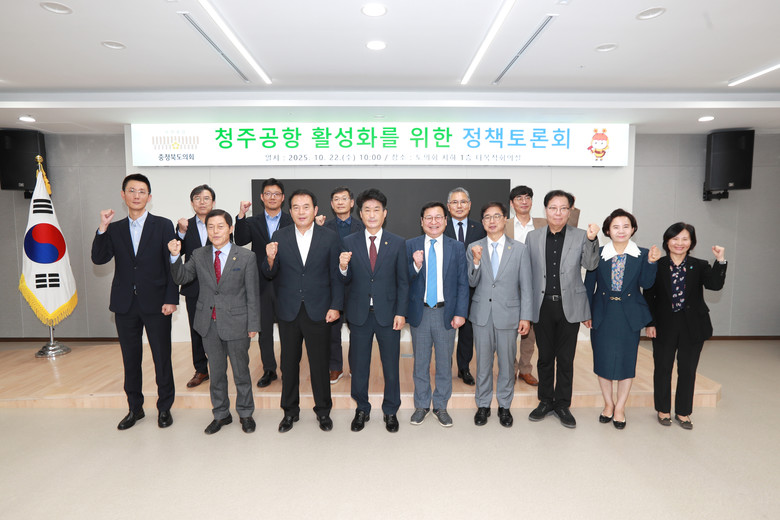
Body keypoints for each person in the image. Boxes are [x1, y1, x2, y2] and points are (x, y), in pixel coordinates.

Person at [91, 173, 177, 430]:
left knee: (162, 357)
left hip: (157, 303)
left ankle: (164, 408)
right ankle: (134, 409)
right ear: (123, 195)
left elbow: (171, 263)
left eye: (142, 192)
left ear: (149, 197)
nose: (136, 195)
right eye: (132, 191)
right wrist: (102, 227)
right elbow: (99, 258)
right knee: (130, 359)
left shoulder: (163, 225)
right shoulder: (114, 228)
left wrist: (171, 298)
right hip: (125, 303)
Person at [169, 210, 260, 434]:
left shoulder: (246, 256)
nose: (215, 231)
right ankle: (221, 414)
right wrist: (174, 257)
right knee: (216, 374)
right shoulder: (199, 254)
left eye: (220, 226)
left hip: (237, 323)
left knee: (241, 372)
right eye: (211, 227)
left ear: (230, 229)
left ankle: (245, 413)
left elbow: (252, 294)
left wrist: (253, 325)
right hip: (208, 324)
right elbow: (182, 277)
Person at [263, 189, 344, 433]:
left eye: (306, 207)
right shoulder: (279, 235)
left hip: (319, 309)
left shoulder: (330, 237)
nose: (301, 211)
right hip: (288, 310)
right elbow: (270, 273)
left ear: (315, 210)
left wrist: (336, 306)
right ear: (290, 211)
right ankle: (290, 412)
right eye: (296, 207)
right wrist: (269, 259)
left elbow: (336, 275)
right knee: (288, 364)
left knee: (320, 364)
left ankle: (323, 411)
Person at [526, 189, 599, 428]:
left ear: (570, 211)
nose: (558, 213)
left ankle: (563, 404)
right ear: (545, 210)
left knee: (566, 359)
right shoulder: (533, 237)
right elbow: (527, 274)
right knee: (545, 357)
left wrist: (592, 240)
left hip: (570, 306)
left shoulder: (582, 236)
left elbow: (591, 264)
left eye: (563, 208)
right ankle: (545, 401)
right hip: (542, 305)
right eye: (553, 208)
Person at [644, 222, 727, 430]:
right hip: (664, 324)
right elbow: (649, 296)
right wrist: (650, 323)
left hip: (693, 325)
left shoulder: (699, 265)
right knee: (663, 368)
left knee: (688, 370)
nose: (679, 243)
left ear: (691, 242)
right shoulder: (658, 264)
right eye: (675, 239)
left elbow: (715, 285)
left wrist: (720, 261)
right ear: (667, 241)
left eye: (685, 239)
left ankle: (683, 411)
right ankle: (663, 410)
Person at [584, 209, 660, 429]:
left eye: (626, 226)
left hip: (629, 316)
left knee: (627, 363)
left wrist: (652, 263)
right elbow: (589, 285)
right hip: (602, 313)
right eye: (615, 227)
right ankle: (608, 404)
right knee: (603, 361)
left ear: (633, 229)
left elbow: (646, 284)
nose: (621, 231)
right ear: (608, 230)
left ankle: (620, 407)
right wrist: (586, 313)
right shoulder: (598, 253)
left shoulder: (643, 254)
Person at [340, 189, 408, 433]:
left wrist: (401, 312)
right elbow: (344, 281)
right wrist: (343, 268)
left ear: (384, 213)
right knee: (359, 367)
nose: (371, 214)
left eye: (376, 210)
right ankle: (362, 409)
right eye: (367, 210)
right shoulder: (349, 242)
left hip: (388, 315)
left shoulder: (398, 242)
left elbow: (403, 282)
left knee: (391, 367)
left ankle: (391, 410)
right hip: (359, 315)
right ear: (360, 214)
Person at [467, 202, 532, 427]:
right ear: (482, 222)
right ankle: (483, 405)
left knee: (506, 364)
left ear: (505, 219)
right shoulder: (474, 247)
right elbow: (471, 282)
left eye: (497, 216)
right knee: (483, 364)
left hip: (509, 315)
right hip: (482, 315)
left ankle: (505, 406)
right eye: (487, 217)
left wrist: (525, 316)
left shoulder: (520, 249)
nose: (492, 221)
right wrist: (476, 262)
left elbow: (526, 286)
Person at [407, 202, 469, 427]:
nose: (433, 222)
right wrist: (415, 266)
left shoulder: (457, 247)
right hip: (421, 313)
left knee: (444, 362)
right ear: (421, 221)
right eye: (429, 218)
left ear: (445, 221)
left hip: (446, 313)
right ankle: (422, 405)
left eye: (438, 217)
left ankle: (441, 405)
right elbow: (403, 279)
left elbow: (462, 283)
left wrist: (460, 313)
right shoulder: (410, 245)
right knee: (420, 363)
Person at [234, 178, 293, 388]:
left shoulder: (292, 220)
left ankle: (288, 369)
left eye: (276, 194)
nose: (272, 197)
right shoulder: (252, 222)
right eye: (268, 193)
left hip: (287, 282)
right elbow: (240, 240)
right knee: (264, 329)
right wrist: (241, 215)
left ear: (283, 198)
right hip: (261, 282)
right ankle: (269, 370)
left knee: (288, 330)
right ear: (261, 197)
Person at [316, 186, 365, 384]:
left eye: (344, 198)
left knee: (357, 329)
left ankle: (355, 366)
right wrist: (316, 229)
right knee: (332, 330)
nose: (340, 202)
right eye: (336, 199)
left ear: (352, 203)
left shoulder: (363, 226)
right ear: (331, 204)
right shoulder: (323, 227)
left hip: (356, 285)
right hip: (331, 285)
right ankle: (335, 367)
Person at [443, 187, 486, 386]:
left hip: (472, 288)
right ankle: (445, 367)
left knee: (467, 332)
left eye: (463, 202)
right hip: (446, 289)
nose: (459, 206)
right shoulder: (440, 226)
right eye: (454, 202)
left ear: (469, 205)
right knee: (445, 331)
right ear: (448, 206)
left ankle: (464, 368)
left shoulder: (480, 228)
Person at [505, 185, 546, 387]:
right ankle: (510, 369)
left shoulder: (542, 224)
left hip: (535, 284)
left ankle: (525, 369)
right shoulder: (504, 224)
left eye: (527, 197)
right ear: (512, 204)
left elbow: (568, 226)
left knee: (530, 332)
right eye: (519, 198)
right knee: (509, 331)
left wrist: (571, 208)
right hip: (509, 285)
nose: (524, 201)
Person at [176, 184, 215, 388]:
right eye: (197, 198)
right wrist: (181, 233)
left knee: (218, 329)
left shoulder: (220, 223)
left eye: (206, 198)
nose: (202, 202)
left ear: (213, 202)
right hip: (194, 286)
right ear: (192, 203)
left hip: (218, 287)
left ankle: (218, 368)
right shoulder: (185, 226)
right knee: (196, 329)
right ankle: (201, 370)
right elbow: (176, 251)